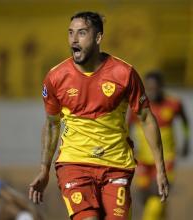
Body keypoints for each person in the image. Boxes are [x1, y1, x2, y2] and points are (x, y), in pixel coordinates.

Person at [28, 11, 169, 220]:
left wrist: (160, 169)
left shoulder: (124, 74)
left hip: (116, 166)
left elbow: (147, 118)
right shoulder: (56, 77)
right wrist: (44, 169)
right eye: (70, 33)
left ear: (98, 38)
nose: (74, 39)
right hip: (74, 164)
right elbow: (51, 124)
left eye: (82, 33)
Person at [130, 71, 190, 220]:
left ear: (161, 87)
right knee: (146, 198)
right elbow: (126, 127)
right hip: (143, 159)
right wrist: (129, 146)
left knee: (157, 198)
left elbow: (185, 122)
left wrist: (186, 142)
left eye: (155, 88)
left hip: (166, 159)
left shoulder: (174, 104)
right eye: (149, 88)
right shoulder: (137, 107)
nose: (152, 91)